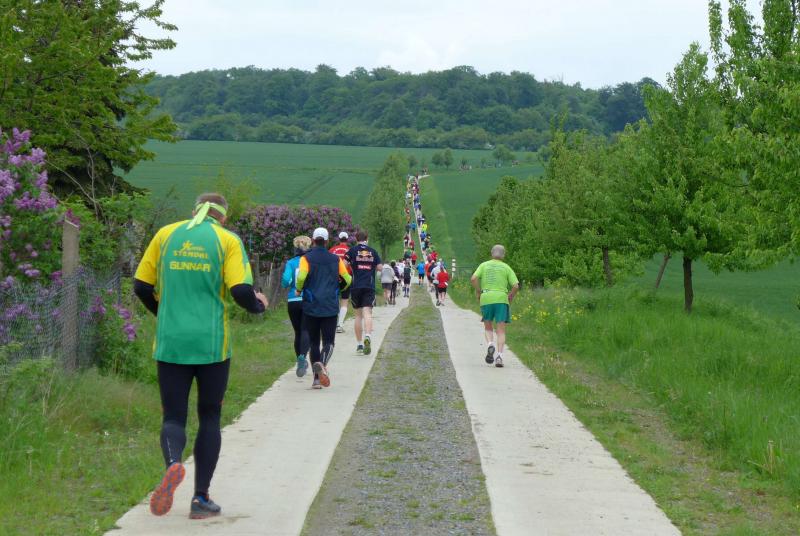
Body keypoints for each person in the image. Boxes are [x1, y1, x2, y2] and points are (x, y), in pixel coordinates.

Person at [133, 193, 268, 520]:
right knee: (209, 417)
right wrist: (258, 305)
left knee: (173, 417)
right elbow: (240, 290)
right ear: (223, 217)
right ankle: (200, 499)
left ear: (194, 210)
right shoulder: (227, 240)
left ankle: (173, 464)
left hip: (171, 342)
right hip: (212, 345)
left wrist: (163, 314)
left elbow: (141, 286)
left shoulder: (166, 234)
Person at [296, 227, 352, 389]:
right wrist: (339, 289)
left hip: (311, 305)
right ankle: (322, 363)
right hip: (330, 305)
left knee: (314, 342)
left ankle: (316, 380)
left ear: (313, 240)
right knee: (329, 341)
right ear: (327, 242)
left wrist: (299, 289)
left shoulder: (306, 258)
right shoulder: (335, 259)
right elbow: (347, 279)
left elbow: (301, 276)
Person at [470, 244, 520, 369]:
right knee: (501, 330)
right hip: (501, 299)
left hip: (486, 298)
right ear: (503, 255)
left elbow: (473, 279)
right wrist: (511, 296)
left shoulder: (484, 265)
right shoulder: (506, 267)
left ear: (492, 253)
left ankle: (490, 345)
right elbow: (515, 286)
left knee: (488, 327)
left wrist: (479, 291)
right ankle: (499, 357)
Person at [345, 230, 382, 355]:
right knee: (368, 313)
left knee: (358, 316)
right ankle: (368, 336)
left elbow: (344, 265)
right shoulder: (373, 251)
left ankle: (360, 345)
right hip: (369, 286)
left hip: (356, 286)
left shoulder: (352, 251)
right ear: (367, 238)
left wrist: (354, 266)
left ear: (356, 239)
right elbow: (380, 268)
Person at [281, 235, 312, 377]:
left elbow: (286, 280)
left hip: (293, 300)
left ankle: (299, 360)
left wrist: (287, 284)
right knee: (306, 330)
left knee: (298, 332)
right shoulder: (310, 261)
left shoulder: (291, 262)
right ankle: (303, 357)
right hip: (307, 298)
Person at [328, 232, 352, 333]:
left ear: (339, 239)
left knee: (335, 299)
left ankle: (333, 323)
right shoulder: (350, 250)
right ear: (347, 239)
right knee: (345, 300)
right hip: (346, 277)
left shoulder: (332, 250)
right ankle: (340, 325)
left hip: (333, 277)